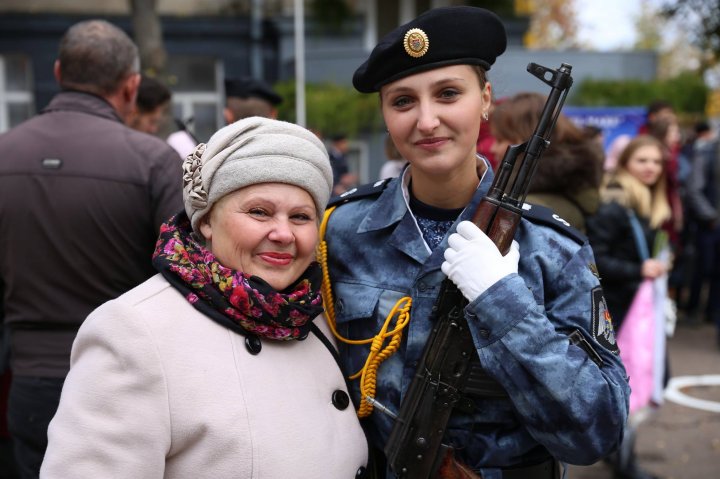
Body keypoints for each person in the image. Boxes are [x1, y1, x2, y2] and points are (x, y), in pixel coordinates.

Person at [319, 6, 629, 478]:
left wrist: (503, 300)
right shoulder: (339, 232)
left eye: (448, 94)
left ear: (485, 100)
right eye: (402, 101)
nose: (426, 121)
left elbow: (599, 430)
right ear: (384, 114)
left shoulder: (552, 248)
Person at [40, 117, 369, 477]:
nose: (283, 233)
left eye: (301, 216)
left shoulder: (315, 314)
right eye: (259, 212)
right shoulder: (135, 331)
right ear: (207, 220)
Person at [0, 20, 183, 478]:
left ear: (59, 72)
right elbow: (187, 275)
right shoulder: (154, 161)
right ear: (131, 86)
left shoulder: (5, 152)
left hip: (29, 377)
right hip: (126, 376)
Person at [586, 135, 672, 479]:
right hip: (619, 312)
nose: (651, 167)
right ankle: (623, 462)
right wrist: (639, 269)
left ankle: (617, 452)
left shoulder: (644, 203)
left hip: (636, 310)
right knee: (637, 382)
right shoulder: (614, 205)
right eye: (643, 161)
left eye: (656, 161)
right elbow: (596, 259)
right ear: (624, 165)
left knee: (639, 381)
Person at [490, 91, 605, 233]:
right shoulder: (570, 191)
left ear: (526, 142)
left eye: (501, 140)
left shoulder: (531, 209)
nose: (493, 148)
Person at [684, 126, 720, 342]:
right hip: (710, 227)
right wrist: (711, 217)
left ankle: (712, 315)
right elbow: (694, 189)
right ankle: (694, 309)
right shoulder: (707, 154)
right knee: (703, 269)